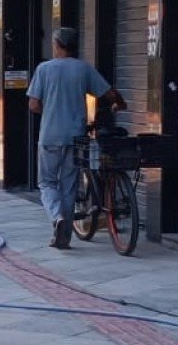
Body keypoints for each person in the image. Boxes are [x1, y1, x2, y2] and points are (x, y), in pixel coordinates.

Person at [30, 27, 126, 250]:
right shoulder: (83, 69)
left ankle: (57, 218)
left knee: (46, 182)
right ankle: (65, 230)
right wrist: (119, 103)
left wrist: (52, 110)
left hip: (50, 135)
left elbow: (33, 105)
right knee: (69, 185)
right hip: (76, 136)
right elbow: (109, 92)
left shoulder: (43, 69)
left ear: (57, 45)